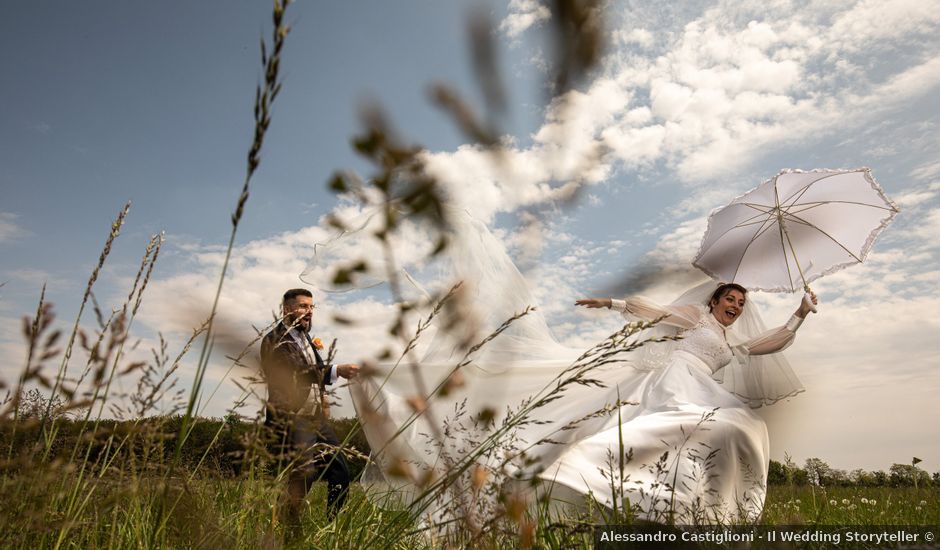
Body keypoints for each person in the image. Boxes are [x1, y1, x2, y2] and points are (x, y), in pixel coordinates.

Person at [553, 283, 817, 523]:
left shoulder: (730, 339)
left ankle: (704, 509)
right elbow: (658, 312)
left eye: (740, 303)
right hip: (678, 378)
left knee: (747, 424)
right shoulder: (697, 316)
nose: (736, 306)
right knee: (673, 427)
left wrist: (801, 312)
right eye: (730, 299)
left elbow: (772, 342)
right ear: (714, 301)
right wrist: (613, 303)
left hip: (704, 386)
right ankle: (580, 461)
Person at [261, 288, 360, 525]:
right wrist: (336, 370)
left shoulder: (305, 338)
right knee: (304, 474)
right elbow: (298, 373)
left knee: (342, 472)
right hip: (291, 418)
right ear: (286, 309)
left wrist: (323, 401)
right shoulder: (274, 340)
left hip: (315, 419)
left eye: (311, 307)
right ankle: (289, 527)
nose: (309, 312)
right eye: (303, 306)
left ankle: (332, 526)